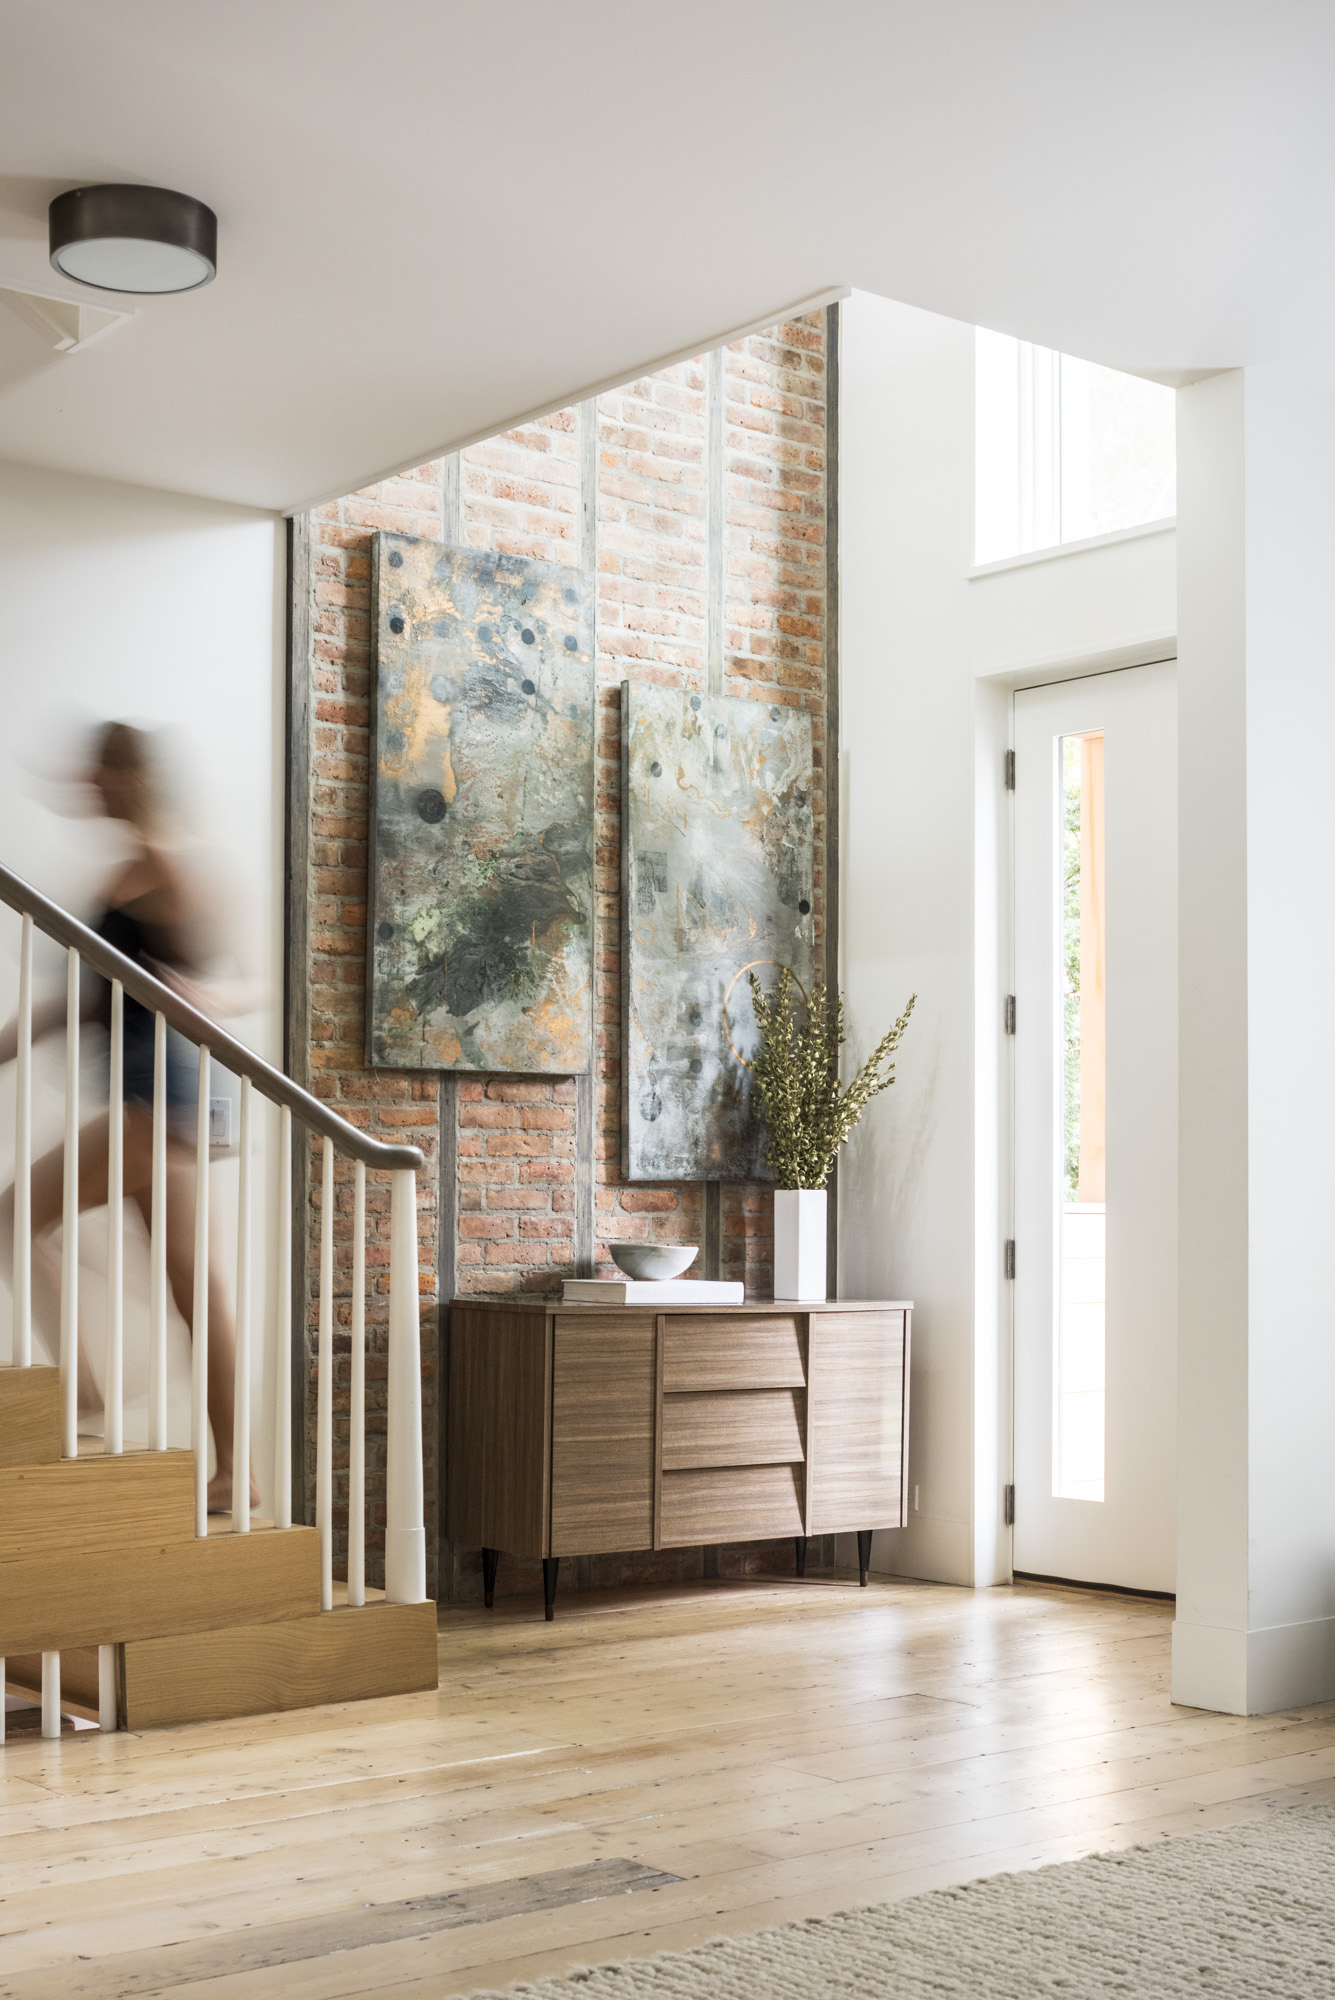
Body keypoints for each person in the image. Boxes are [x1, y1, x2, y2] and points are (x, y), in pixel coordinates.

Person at [0, 721, 258, 1512]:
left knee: (11, 1217)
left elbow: (234, 978)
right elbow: (95, 998)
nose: (86, 782)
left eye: (97, 769)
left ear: (125, 775)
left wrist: (213, 997)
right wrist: (16, 1036)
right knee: (195, 1286)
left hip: (164, 1099)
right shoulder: (132, 867)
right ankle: (233, 1473)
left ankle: (79, 1395)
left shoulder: (163, 862)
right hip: (166, 1098)